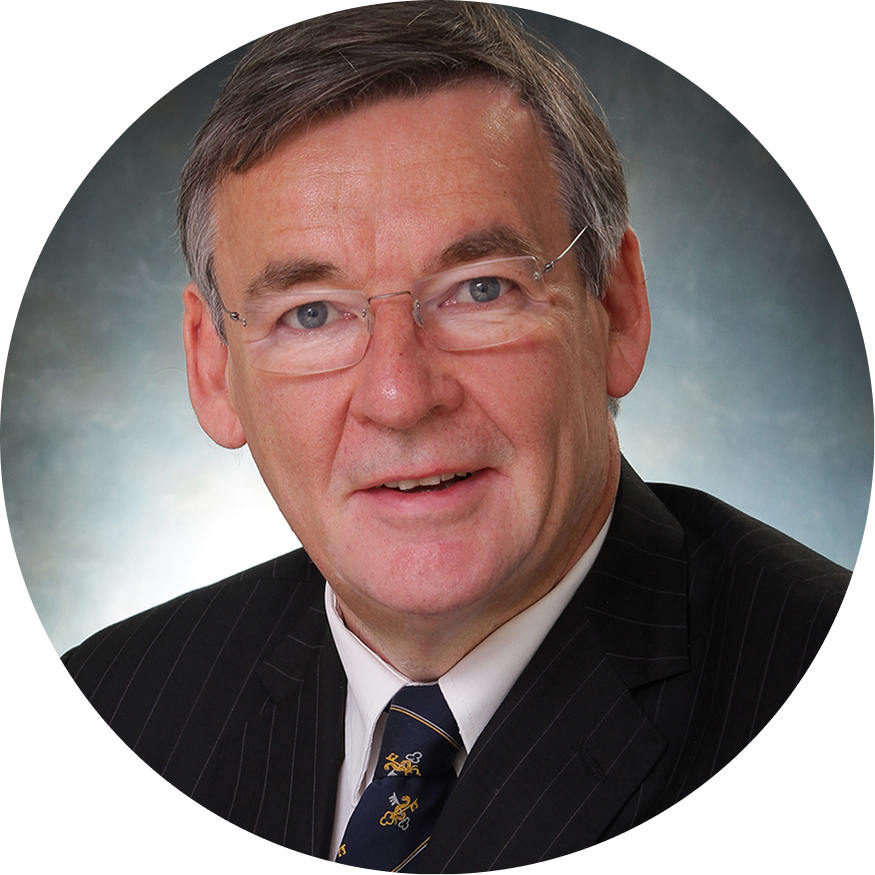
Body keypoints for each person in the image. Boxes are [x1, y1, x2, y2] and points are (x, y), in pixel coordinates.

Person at [61, 3, 849, 869]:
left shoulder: (792, 659)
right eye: (311, 314)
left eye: (480, 290)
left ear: (616, 311)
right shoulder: (122, 698)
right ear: (213, 370)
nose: (399, 396)